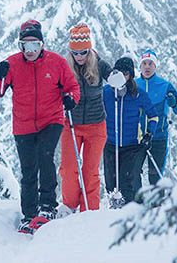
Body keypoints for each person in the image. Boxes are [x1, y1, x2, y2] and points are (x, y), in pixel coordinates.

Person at [0, 20, 79, 234]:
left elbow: (72, 87)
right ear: (20, 46)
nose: (29, 50)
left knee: (45, 155)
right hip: (23, 124)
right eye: (25, 45)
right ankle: (29, 214)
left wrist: (71, 99)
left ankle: (47, 207)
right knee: (28, 169)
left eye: (34, 45)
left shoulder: (56, 62)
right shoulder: (11, 64)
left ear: (41, 45)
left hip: (52, 119)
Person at [59, 23, 112, 214]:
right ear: (71, 52)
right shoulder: (64, 66)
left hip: (96, 125)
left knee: (90, 172)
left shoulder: (99, 64)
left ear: (89, 50)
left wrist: (119, 75)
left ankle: (89, 211)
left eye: (83, 52)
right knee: (69, 169)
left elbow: (114, 78)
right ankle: (70, 205)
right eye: (76, 53)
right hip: (70, 124)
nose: (79, 57)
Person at [102, 57, 158, 208]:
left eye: (125, 73)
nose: (122, 75)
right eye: (118, 72)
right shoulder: (106, 92)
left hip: (131, 145)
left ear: (131, 75)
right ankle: (113, 210)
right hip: (109, 143)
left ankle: (133, 210)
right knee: (111, 182)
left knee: (128, 181)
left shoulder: (138, 94)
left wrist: (149, 134)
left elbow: (153, 116)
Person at [136, 49, 177, 185]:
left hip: (158, 137)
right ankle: (135, 204)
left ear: (155, 66)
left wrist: (174, 102)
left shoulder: (165, 86)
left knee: (156, 178)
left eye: (150, 64)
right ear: (139, 66)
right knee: (133, 175)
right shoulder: (133, 85)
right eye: (144, 63)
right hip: (137, 138)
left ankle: (157, 205)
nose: (147, 67)